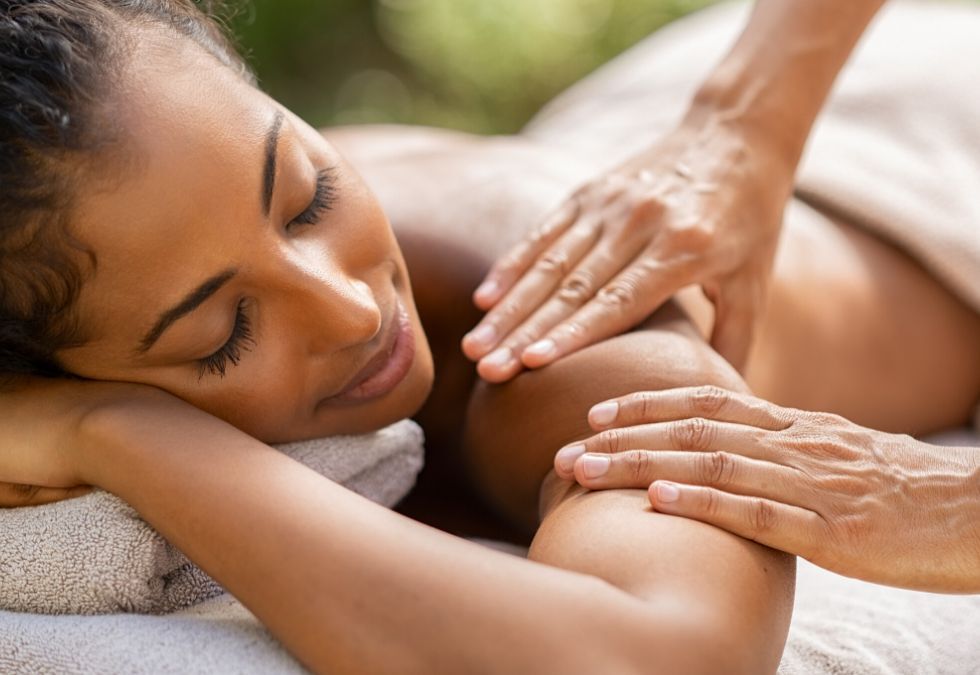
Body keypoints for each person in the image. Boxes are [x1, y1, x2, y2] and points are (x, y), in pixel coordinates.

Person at [0, 2, 974, 674]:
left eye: (309, 197)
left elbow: (656, 654)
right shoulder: (158, 213)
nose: (351, 310)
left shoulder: (568, 343)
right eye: (224, 331)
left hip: (926, 134)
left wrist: (115, 430)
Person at [461, 0, 980, 592]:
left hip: (921, 131)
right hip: (696, 89)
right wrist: (737, 123)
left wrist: (957, 505)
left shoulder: (615, 369)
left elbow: (652, 630)